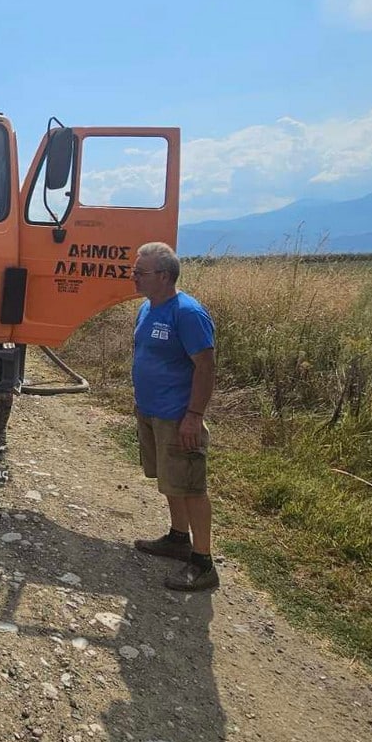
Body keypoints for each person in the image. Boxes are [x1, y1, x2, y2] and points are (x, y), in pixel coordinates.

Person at [130, 241, 218, 591]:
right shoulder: (147, 308)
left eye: (140, 272)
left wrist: (194, 415)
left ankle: (203, 562)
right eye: (134, 271)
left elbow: (206, 366)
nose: (134, 277)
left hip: (178, 417)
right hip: (151, 412)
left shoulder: (188, 313)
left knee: (191, 486)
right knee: (171, 481)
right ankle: (179, 538)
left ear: (164, 276)